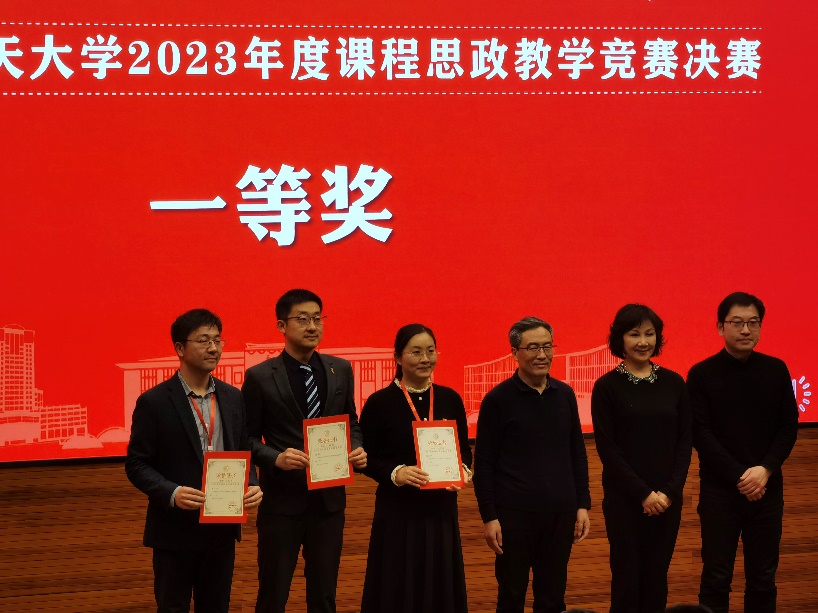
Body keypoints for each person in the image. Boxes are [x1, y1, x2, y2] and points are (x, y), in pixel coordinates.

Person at [126, 308, 263, 613]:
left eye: (217, 340)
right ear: (180, 348)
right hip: (175, 530)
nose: (213, 348)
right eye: (203, 340)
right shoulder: (154, 402)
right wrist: (172, 492)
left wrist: (252, 483)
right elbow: (136, 464)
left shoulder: (233, 397)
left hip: (221, 529)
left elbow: (244, 451)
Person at [242, 289, 367, 613]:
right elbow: (246, 439)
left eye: (317, 319)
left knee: (324, 596)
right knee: (273, 595)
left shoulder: (341, 369)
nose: (312, 326)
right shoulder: (260, 377)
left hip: (328, 503)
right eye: (302, 319)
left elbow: (351, 422)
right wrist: (276, 458)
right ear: (282, 325)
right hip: (281, 503)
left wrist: (356, 447)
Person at [687, 292, 798, 613]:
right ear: (720, 327)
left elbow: (788, 427)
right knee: (716, 578)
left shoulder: (776, 369)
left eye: (753, 323)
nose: (746, 330)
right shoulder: (701, 374)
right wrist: (740, 475)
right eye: (737, 323)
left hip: (767, 489)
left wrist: (765, 469)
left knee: (763, 578)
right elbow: (700, 434)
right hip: (719, 492)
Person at [473, 316, 591, 613]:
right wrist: (489, 516)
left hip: (561, 512)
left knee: (553, 597)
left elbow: (577, 452)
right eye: (533, 347)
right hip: (514, 514)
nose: (542, 355)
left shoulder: (564, 395)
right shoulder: (497, 399)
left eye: (548, 346)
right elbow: (483, 463)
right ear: (515, 352)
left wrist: (582, 505)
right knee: (511, 596)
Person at [358, 324, 473, 613]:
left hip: (441, 510)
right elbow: (364, 458)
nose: (425, 359)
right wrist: (396, 472)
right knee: (398, 584)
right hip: (398, 512)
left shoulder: (450, 398)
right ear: (398, 357)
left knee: (440, 584)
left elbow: (465, 453)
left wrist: (463, 472)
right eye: (416, 352)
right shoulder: (379, 403)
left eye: (431, 351)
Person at [591, 304, 692, 613]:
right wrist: (644, 494)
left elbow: (684, 443)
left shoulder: (674, 383)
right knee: (627, 578)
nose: (643, 341)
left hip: (667, 501)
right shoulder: (606, 387)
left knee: (656, 577)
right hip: (625, 500)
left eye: (650, 334)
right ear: (620, 339)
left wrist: (669, 492)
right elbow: (608, 449)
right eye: (635, 334)